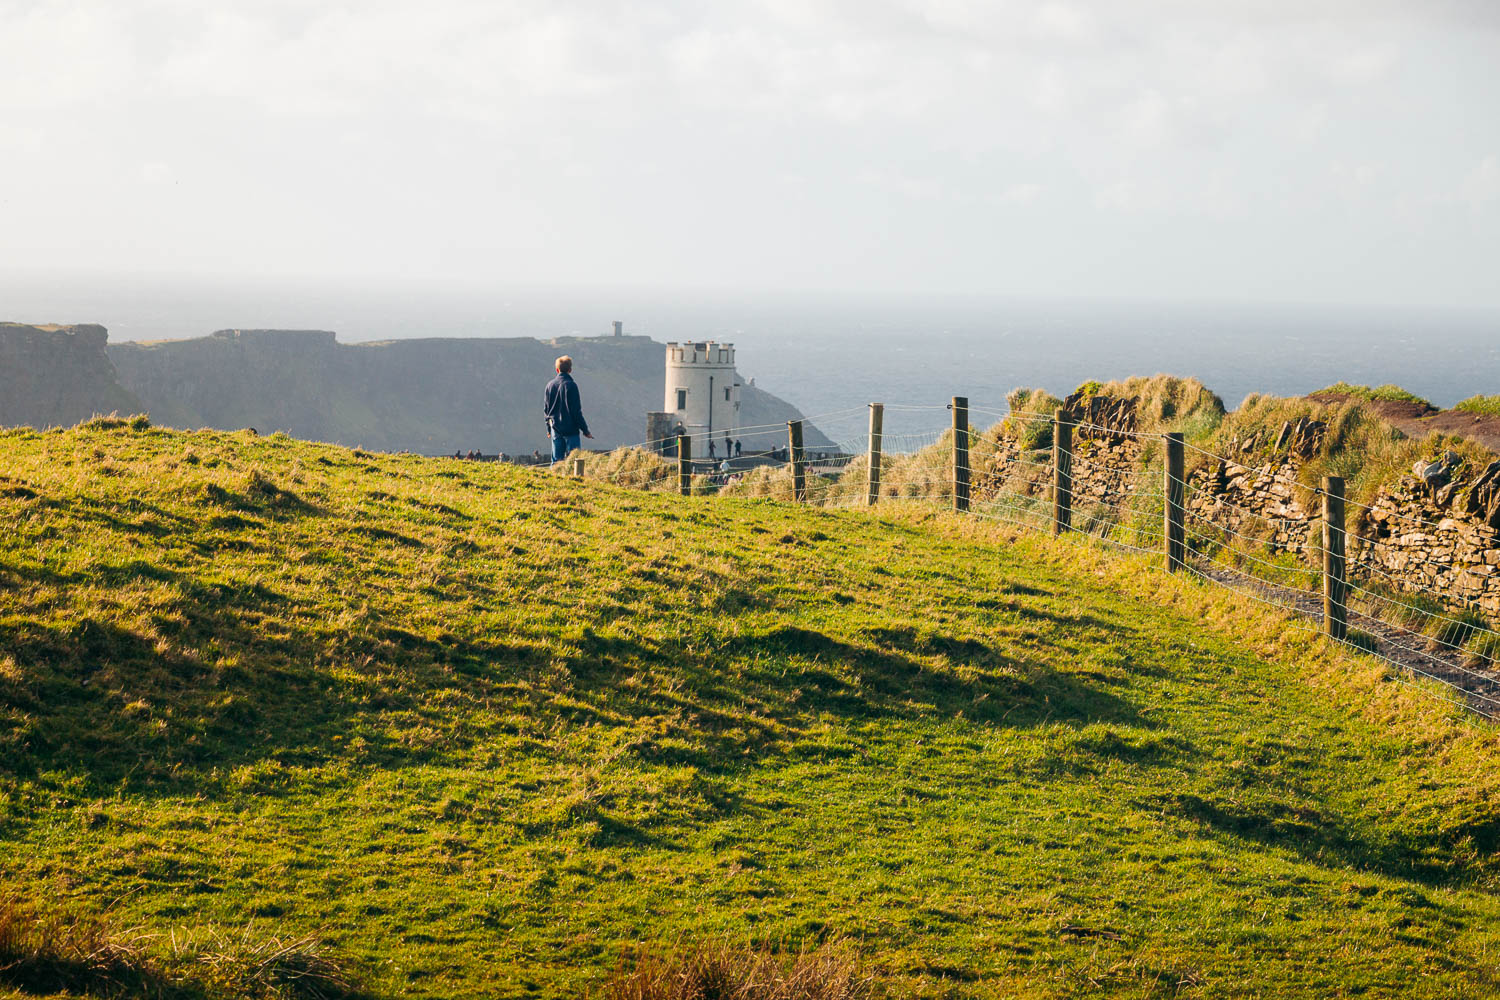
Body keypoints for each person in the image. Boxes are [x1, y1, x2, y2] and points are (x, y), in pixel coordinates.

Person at [543, 355, 593, 464]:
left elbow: (546, 410)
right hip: (571, 429)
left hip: (555, 428)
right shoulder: (571, 386)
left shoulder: (550, 386)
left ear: (557, 370)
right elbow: (576, 412)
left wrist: (548, 428)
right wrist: (585, 430)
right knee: (574, 462)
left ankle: (555, 475)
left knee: (556, 462)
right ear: (570, 370)